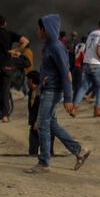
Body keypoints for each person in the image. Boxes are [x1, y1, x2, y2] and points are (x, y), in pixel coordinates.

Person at [26, 13, 90, 174]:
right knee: (52, 124)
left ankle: (44, 162)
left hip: (53, 91)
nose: (37, 31)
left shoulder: (56, 47)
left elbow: (64, 72)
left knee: (42, 125)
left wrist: (68, 98)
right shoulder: (48, 46)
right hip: (48, 89)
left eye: (40, 28)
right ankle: (79, 151)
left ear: (47, 29)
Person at [74, 18, 100, 117]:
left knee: (84, 87)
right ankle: (97, 109)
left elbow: (87, 48)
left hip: (86, 63)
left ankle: (74, 108)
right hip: (96, 64)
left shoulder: (91, 33)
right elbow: (99, 50)